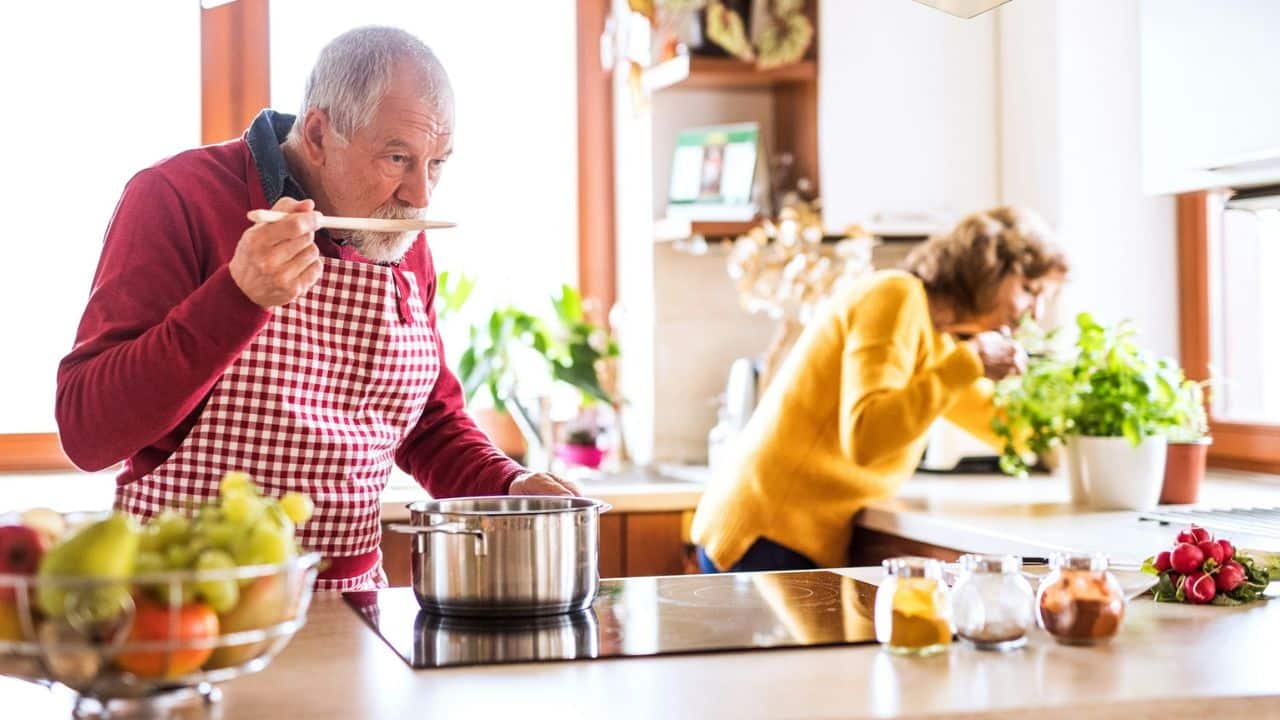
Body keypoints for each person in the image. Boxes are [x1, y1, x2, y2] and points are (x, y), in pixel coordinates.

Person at [56, 27, 577, 591]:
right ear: (319, 133)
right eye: (397, 156)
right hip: (182, 604)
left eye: (437, 163)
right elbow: (88, 431)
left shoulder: (398, 234)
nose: (420, 195)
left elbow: (428, 423)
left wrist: (510, 486)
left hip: (352, 608)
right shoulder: (175, 196)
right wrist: (237, 296)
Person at [691, 206, 1068, 573]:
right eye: (1030, 290)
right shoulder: (895, 296)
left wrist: (1080, 418)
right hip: (765, 533)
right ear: (990, 272)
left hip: (782, 537)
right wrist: (970, 361)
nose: (1034, 312)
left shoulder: (940, 344)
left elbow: (1006, 424)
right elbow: (866, 437)